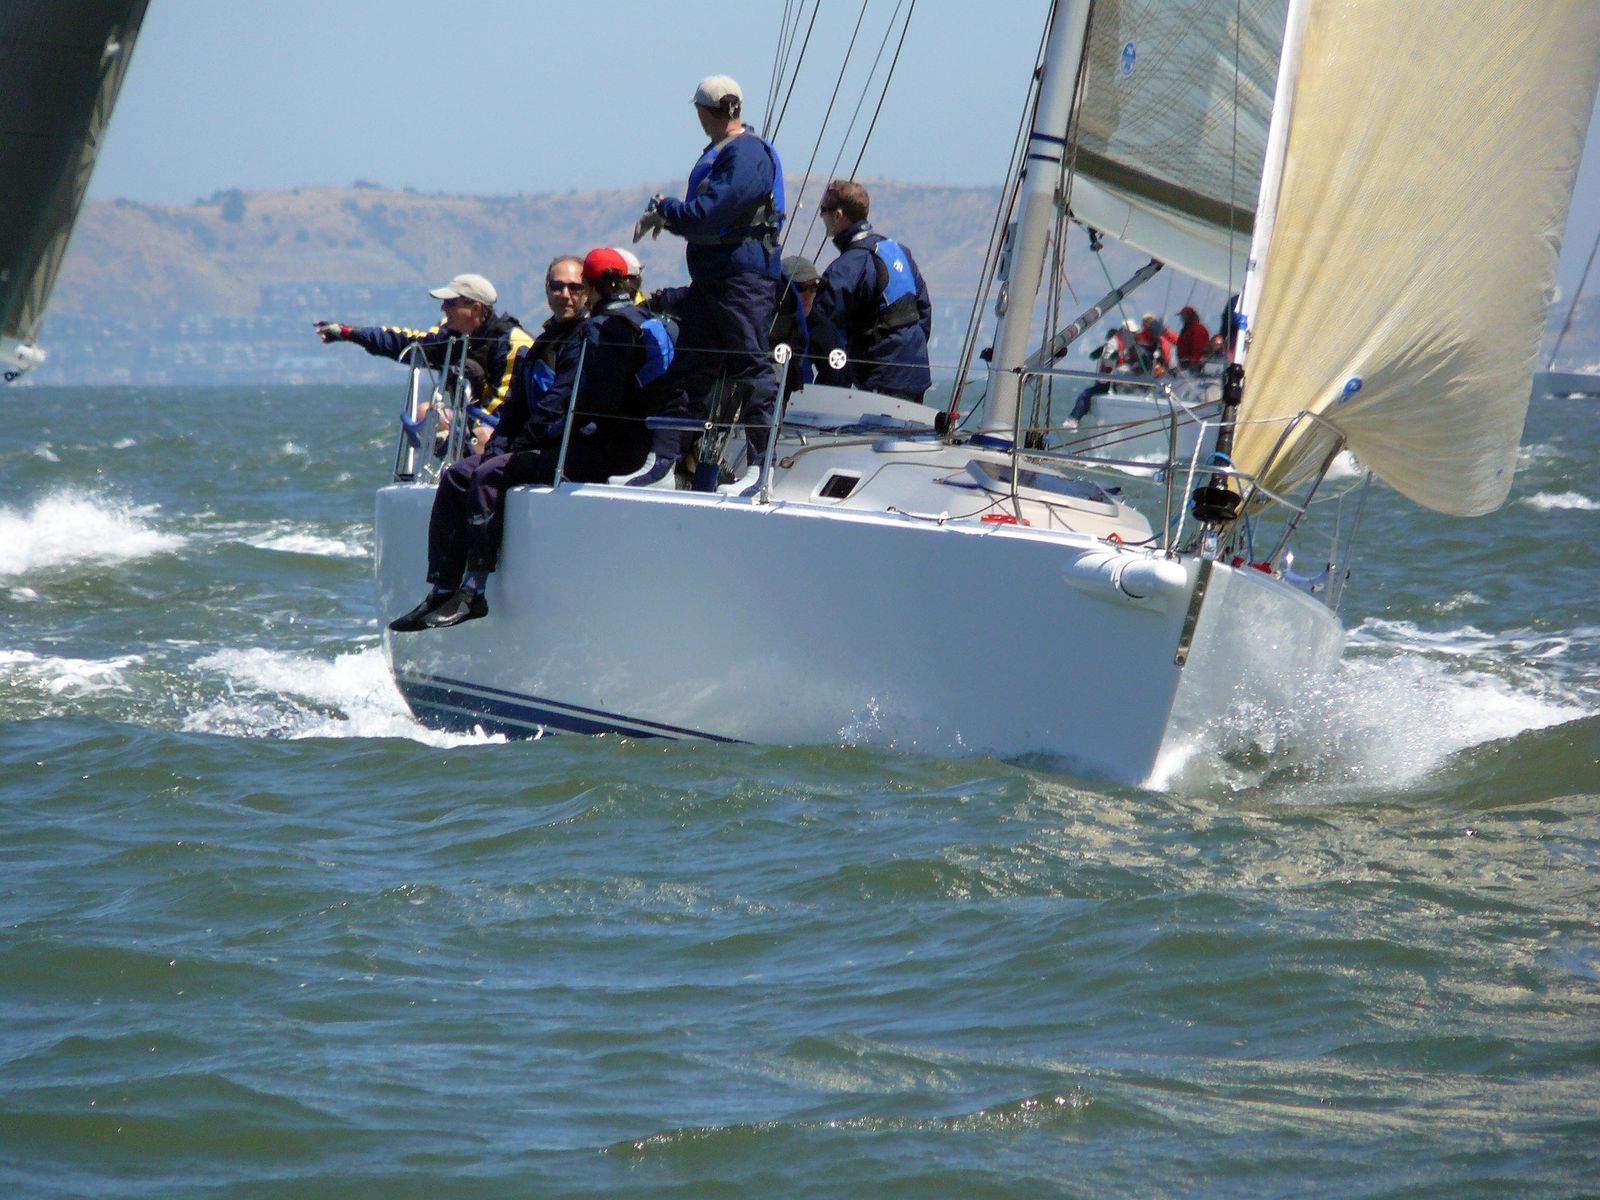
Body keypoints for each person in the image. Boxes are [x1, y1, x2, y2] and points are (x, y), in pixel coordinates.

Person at [388, 249, 665, 631]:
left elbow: (562, 403)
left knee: (488, 475)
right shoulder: (545, 340)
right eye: (557, 287)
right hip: (540, 443)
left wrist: (516, 449)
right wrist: (498, 446)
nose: (565, 295)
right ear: (546, 290)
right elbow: (517, 405)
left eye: (574, 287)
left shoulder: (592, 337)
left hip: (580, 449)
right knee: (457, 475)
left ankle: (474, 591)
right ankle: (442, 590)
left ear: (587, 291)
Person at [629, 74, 785, 487]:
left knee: (751, 365)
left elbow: (711, 211)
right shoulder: (726, 151)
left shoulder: (747, 152)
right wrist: (672, 216)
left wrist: (667, 210)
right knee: (690, 369)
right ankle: (663, 462)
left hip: (742, 279)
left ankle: (762, 467)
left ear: (702, 110)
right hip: (714, 279)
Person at [314, 273, 534, 452]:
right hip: (475, 427)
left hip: (512, 433)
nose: (443, 308)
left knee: (482, 435)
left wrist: (461, 432)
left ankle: (472, 481)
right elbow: (403, 342)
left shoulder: (513, 344)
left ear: (475, 309)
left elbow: (502, 408)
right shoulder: (453, 337)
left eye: (450, 302)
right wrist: (349, 333)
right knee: (424, 412)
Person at [811, 179, 933, 402]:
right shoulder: (899, 252)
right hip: (916, 369)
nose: (821, 217)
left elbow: (820, 324)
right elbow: (923, 310)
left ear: (838, 215)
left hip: (881, 376)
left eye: (823, 210)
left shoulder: (846, 267)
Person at [1174, 305, 1211, 372]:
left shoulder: (1196, 329)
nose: (1182, 318)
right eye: (1182, 316)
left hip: (1194, 367)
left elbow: (1197, 348)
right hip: (1185, 366)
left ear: (1189, 316)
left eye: (1184, 316)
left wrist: (1193, 364)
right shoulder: (1186, 329)